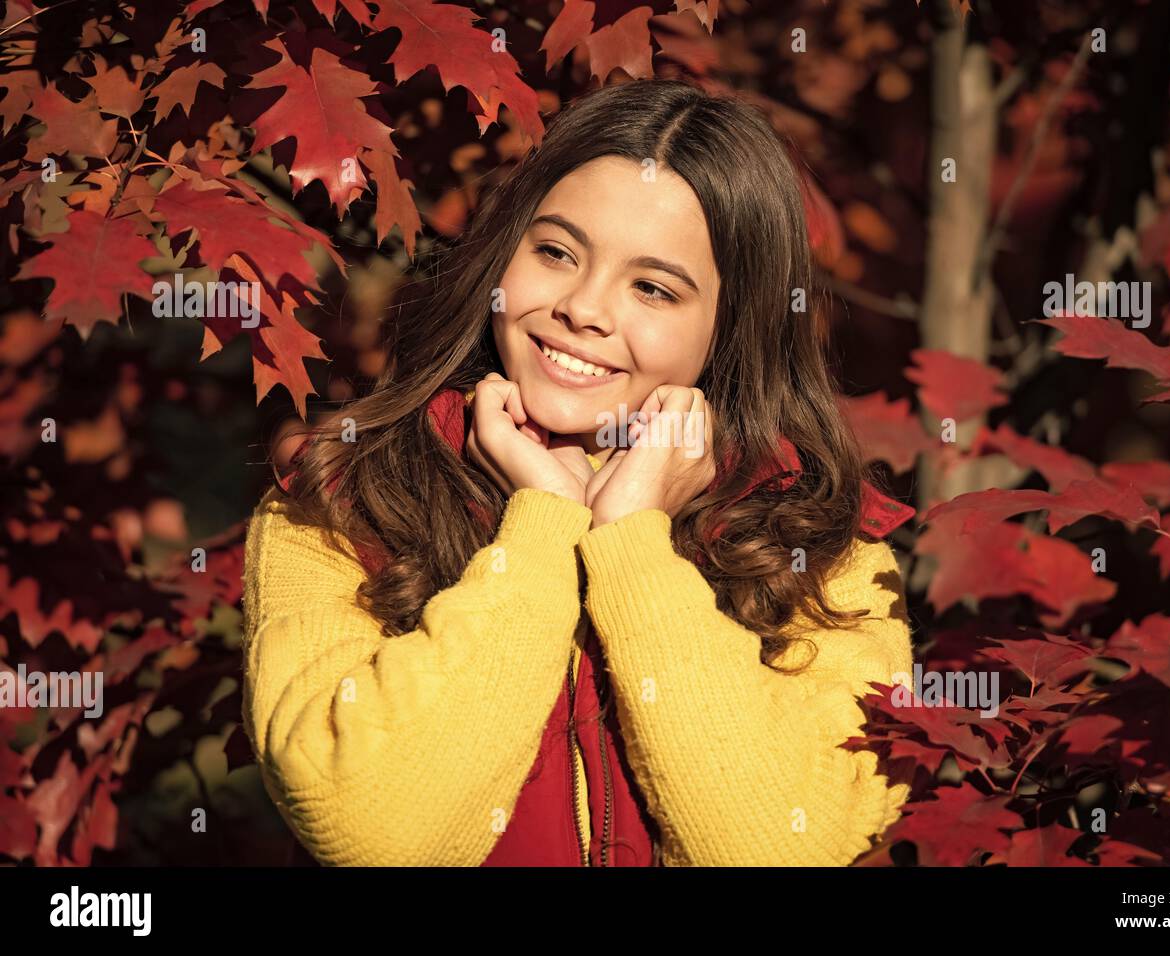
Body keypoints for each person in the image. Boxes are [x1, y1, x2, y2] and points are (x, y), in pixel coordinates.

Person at [240, 77, 916, 867]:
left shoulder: (825, 543)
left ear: (731, 326)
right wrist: (542, 531)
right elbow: (370, 826)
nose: (585, 308)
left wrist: (632, 543)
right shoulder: (339, 501)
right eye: (556, 251)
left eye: (653, 288)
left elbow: (780, 847)